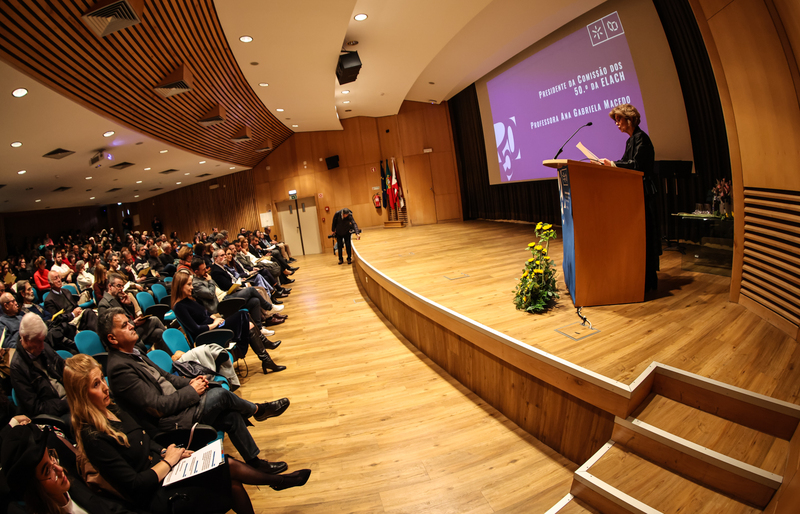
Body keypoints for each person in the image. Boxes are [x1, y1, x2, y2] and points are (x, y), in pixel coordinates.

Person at [97, 310, 293, 473]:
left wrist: (191, 381)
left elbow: (167, 377)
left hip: (181, 409)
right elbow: (157, 407)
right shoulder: (119, 369)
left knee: (231, 415)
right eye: (124, 325)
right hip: (169, 425)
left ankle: (255, 463)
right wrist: (192, 391)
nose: (131, 325)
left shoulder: (134, 352)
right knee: (221, 395)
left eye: (129, 322)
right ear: (112, 338)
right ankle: (258, 410)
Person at [0, 423, 142, 514]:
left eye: (51, 456)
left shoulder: (69, 487)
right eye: (47, 470)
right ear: (34, 489)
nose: (60, 470)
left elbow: (112, 509)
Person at [171, 271, 284, 374]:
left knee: (248, 324)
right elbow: (196, 329)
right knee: (243, 314)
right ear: (180, 286)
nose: (192, 287)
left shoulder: (189, 299)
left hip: (215, 326)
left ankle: (266, 360)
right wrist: (214, 324)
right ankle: (265, 349)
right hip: (208, 334)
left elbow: (205, 313)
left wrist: (215, 319)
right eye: (189, 284)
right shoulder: (179, 307)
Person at [600, 103, 660, 293]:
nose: (617, 123)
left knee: (645, 236)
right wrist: (610, 166)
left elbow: (636, 165)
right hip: (633, 193)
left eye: (619, 119)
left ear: (630, 119)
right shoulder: (630, 140)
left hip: (643, 194)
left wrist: (613, 164)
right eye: (615, 120)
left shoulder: (642, 139)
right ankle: (637, 275)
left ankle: (648, 280)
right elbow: (626, 164)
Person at [9, 314, 72, 431]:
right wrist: (67, 403)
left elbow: (64, 367)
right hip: (55, 414)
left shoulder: (43, 347)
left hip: (69, 397)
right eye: (38, 342)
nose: (42, 346)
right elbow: (36, 408)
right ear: (25, 339)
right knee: (86, 419)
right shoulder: (17, 368)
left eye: (43, 340)